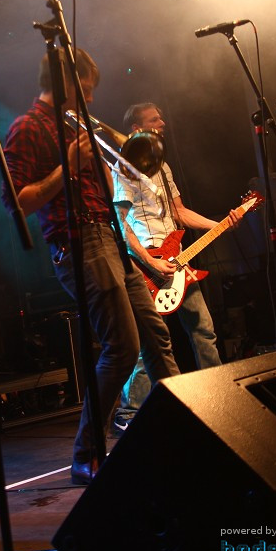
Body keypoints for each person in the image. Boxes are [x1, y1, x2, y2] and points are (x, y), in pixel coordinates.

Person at [2, 49, 179, 485]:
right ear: (65, 81)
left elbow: (103, 193)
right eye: (87, 87)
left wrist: (109, 165)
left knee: (156, 339)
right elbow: (16, 202)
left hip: (111, 238)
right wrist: (68, 167)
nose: (92, 98)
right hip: (79, 244)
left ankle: (185, 430)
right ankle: (87, 452)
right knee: (121, 348)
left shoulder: (72, 126)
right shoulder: (27, 127)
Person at [111, 103, 242, 430]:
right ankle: (129, 415)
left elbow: (179, 212)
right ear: (137, 130)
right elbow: (120, 224)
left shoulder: (164, 167)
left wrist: (222, 223)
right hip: (148, 261)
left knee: (203, 328)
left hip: (177, 259)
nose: (163, 123)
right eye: (155, 120)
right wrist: (150, 260)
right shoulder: (123, 168)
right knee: (150, 343)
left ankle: (218, 394)